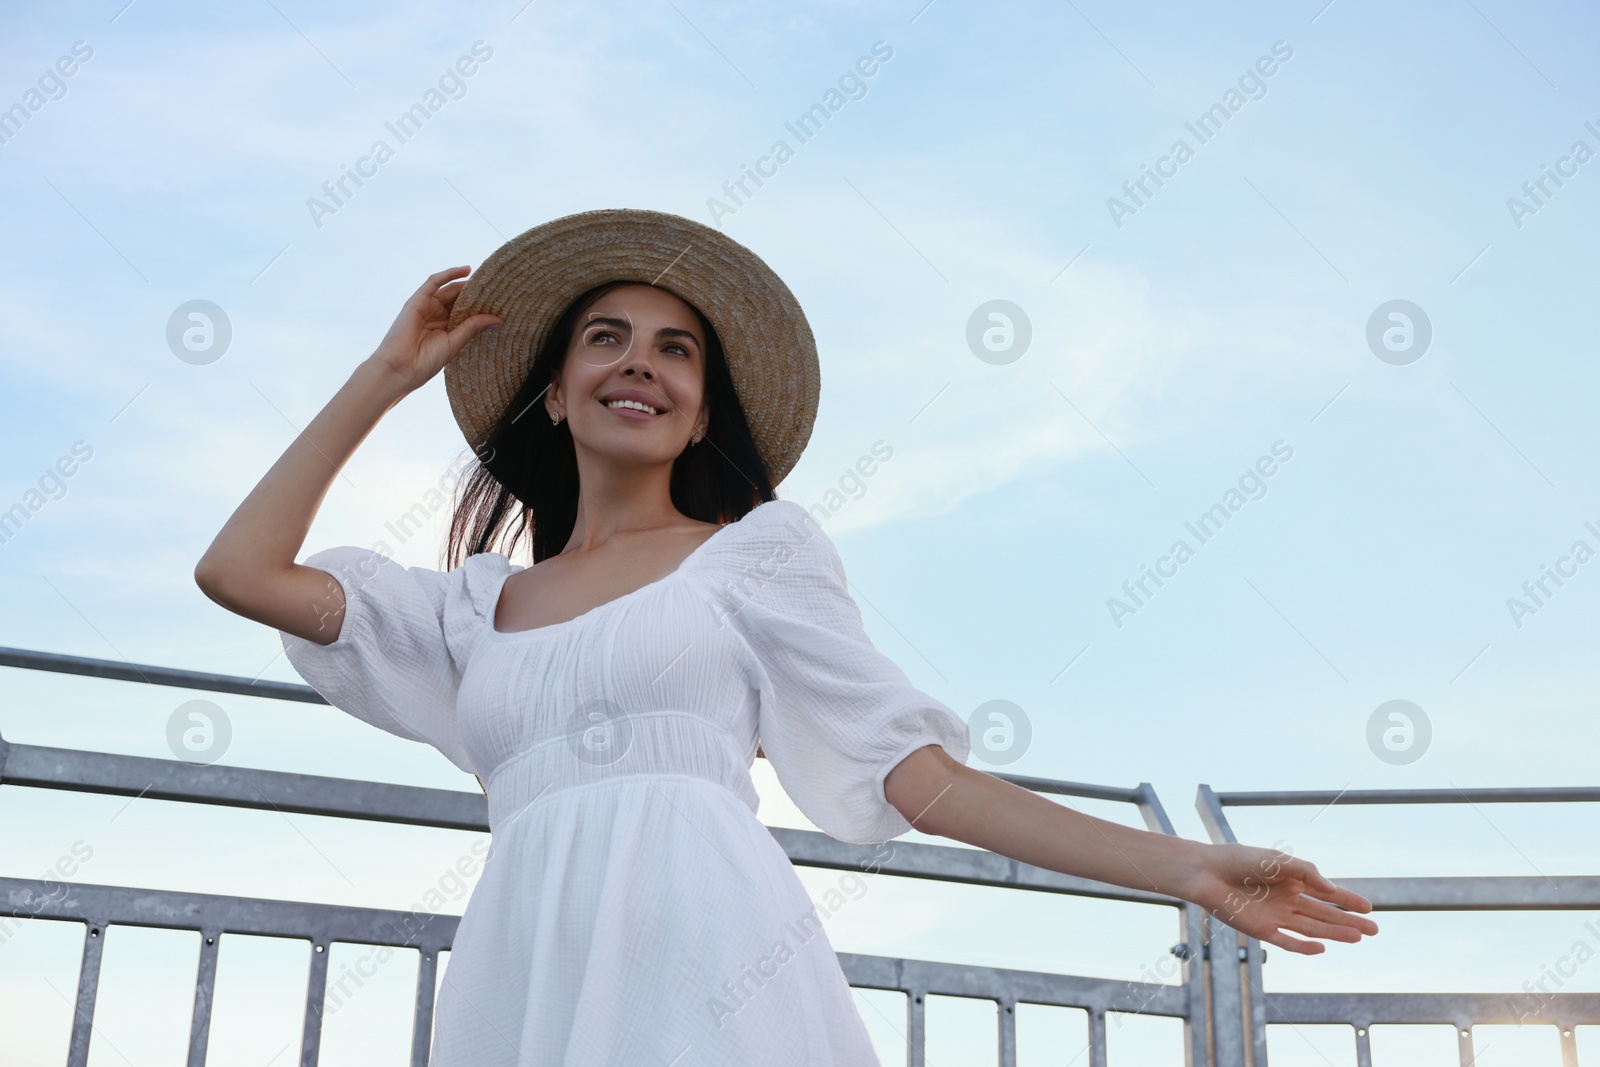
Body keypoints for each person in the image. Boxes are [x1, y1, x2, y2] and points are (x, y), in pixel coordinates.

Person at [194, 208, 1377, 1065]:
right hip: (529, 966)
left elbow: (919, 778)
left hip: (712, 959)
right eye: (604, 338)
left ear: (701, 404)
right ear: (554, 393)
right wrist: (385, 374)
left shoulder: (753, 555)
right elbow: (239, 571)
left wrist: (1184, 866)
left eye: (676, 348)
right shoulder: (468, 609)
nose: (639, 363)